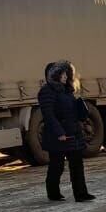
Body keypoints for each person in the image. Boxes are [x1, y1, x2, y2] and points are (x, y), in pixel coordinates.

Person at [38, 60, 94, 202]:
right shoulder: (46, 91)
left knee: (77, 164)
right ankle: (53, 193)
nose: (65, 76)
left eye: (66, 74)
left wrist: (81, 109)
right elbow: (48, 115)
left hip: (73, 134)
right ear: (54, 75)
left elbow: (74, 112)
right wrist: (60, 133)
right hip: (58, 136)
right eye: (62, 74)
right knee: (57, 165)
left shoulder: (67, 90)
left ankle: (81, 194)